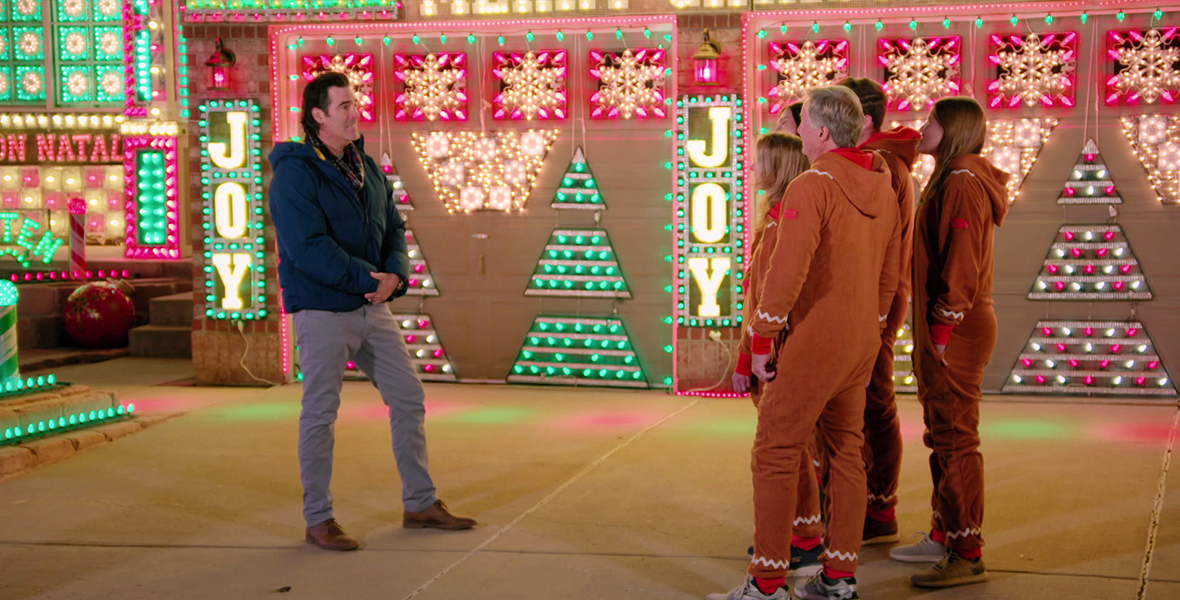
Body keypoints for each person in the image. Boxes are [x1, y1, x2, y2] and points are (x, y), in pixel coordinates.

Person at [269, 72, 476, 551]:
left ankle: (420, 503)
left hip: (371, 306)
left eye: (353, 103)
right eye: (343, 106)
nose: (353, 112)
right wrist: (370, 280)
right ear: (318, 116)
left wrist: (396, 277)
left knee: (408, 396)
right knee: (320, 413)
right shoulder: (296, 175)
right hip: (322, 309)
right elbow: (307, 248)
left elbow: (394, 228)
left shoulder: (364, 165)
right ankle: (318, 519)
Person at [710, 86, 901, 600]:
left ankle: (767, 583)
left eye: (801, 125)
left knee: (774, 451)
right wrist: (873, 324)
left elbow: (784, 276)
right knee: (846, 453)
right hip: (860, 340)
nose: (796, 133)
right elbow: (890, 270)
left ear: (819, 131)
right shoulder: (882, 184)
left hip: (815, 340)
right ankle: (838, 580)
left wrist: (761, 339)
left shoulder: (812, 186)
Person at [888, 97, 1006, 588]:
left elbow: (962, 264)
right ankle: (945, 530)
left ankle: (967, 549)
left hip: (956, 329)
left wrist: (941, 329)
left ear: (954, 129)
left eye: (934, 120)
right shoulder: (954, 178)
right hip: (950, 326)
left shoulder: (961, 183)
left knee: (956, 438)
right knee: (942, 434)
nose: (923, 126)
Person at [732, 134, 825, 579]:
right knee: (790, 447)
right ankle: (796, 530)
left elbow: (771, 296)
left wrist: (755, 350)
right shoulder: (773, 219)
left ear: (777, 168)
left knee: (786, 448)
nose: (752, 170)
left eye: (759, 163)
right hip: (766, 347)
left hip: (776, 353)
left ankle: (804, 537)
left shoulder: (783, 223)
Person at [836, 77, 921, 546]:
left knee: (873, 402)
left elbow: (876, 246)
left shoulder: (881, 166)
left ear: (863, 121)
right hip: (873, 300)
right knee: (868, 402)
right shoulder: (881, 163)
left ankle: (878, 506)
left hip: (874, 302)